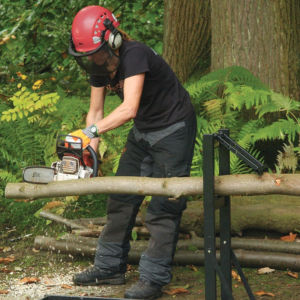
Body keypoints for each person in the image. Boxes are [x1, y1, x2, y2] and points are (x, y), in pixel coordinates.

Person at [67, 5, 196, 300]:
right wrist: (90, 156)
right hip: (143, 132)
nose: (91, 60)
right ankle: (109, 266)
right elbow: (95, 112)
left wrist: (91, 133)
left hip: (173, 127)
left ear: (112, 41)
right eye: (86, 56)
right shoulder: (98, 66)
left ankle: (153, 278)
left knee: (165, 205)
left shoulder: (134, 53)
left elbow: (128, 108)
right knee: (122, 197)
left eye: (95, 53)